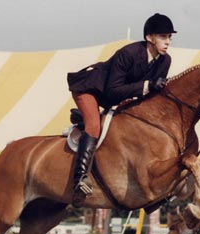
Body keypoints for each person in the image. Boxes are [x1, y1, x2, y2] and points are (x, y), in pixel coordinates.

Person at [67, 13, 177, 204]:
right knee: (94, 126)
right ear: (149, 38)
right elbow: (112, 91)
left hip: (116, 97)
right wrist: (148, 85)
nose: (167, 42)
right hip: (91, 89)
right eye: (163, 36)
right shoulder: (129, 53)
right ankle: (80, 177)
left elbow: (149, 97)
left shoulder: (164, 61)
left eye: (169, 37)